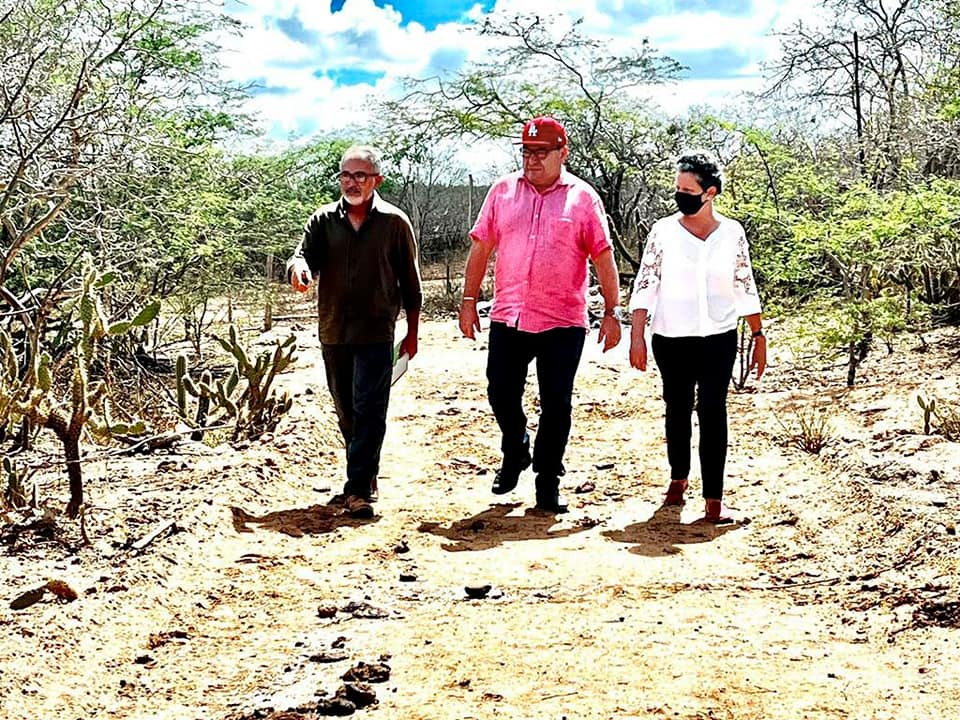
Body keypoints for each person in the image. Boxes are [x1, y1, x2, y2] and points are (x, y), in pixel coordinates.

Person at [459, 116, 622, 514]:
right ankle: (515, 450)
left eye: (541, 152)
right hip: (509, 314)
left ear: (562, 153)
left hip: (563, 320)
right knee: (499, 391)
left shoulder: (582, 199)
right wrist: (467, 300)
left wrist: (613, 312)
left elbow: (602, 254)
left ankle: (548, 480)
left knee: (556, 402)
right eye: (527, 152)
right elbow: (481, 248)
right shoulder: (501, 192)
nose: (532, 160)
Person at [628, 153, 766, 524]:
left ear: (710, 193)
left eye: (688, 190)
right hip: (671, 337)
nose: (680, 196)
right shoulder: (664, 231)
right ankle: (678, 478)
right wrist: (637, 335)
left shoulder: (732, 232)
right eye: (678, 190)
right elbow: (647, 281)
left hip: (718, 336)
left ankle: (714, 499)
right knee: (676, 407)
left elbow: (744, 281)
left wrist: (758, 332)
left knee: (713, 411)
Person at [288, 145, 422, 519]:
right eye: (346, 175)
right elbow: (301, 257)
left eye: (360, 175)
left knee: (370, 408)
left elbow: (411, 284)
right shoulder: (322, 221)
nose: (352, 182)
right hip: (334, 331)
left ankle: (359, 488)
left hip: (378, 332)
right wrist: (298, 270)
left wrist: (412, 331)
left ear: (376, 180)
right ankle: (364, 472)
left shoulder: (395, 223)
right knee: (346, 410)